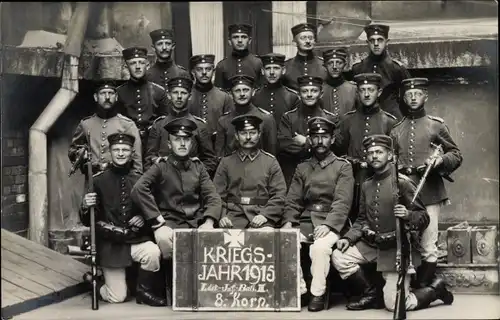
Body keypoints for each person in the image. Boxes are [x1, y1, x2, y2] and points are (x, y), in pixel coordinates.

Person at [331, 134, 453, 312]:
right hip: (373, 245)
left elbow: (423, 217)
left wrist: (407, 214)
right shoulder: (366, 185)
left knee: (394, 305)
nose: (374, 156)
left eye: (379, 152)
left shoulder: (402, 183)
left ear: (389, 155)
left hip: (396, 249)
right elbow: (362, 219)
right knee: (339, 256)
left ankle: (435, 290)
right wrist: (348, 238)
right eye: (370, 152)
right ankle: (371, 293)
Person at [391, 78, 463, 288]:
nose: (413, 98)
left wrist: (440, 161)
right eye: (409, 95)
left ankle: (425, 289)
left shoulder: (436, 125)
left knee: (428, 243)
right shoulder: (396, 129)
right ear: (404, 98)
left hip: (430, 190)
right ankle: (412, 286)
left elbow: (456, 154)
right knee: (405, 239)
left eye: (418, 93)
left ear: (425, 96)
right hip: (404, 192)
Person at [79, 133, 166, 306]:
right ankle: (95, 283)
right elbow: (87, 220)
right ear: (110, 152)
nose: (120, 153)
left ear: (132, 152)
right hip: (111, 245)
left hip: (135, 239)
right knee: (117, 297)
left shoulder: (141, 179)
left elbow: (153, 207)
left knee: (153, 252)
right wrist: (84, 205)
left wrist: (143, 217)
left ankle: (143, 293)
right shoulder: (98, 180)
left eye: (125, 150)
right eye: (116, 150)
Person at [282, 117, 354, 311]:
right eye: (315, 137)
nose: (320, 141)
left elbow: (342, 201)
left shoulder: (343, 166)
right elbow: (293, 200)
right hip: (306, 220)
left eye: (324, 137)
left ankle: (317, 294)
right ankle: (301, 290)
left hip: (332, 220)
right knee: (287, 241)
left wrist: (329, 225)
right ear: (310, 139)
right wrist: (289, 222)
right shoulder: (303, 167)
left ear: (332, 140)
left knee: (320, 248)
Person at [131, 118, 222, 261]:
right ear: (169, 144)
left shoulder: (198, 167)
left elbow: (213, 196)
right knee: (164, 238)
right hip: (169, 223)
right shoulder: (161, 166)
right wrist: (156, 219)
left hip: (195, 222)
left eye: (186, 140)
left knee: (212, 244)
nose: (182, 144)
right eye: (177, 140)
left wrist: (209, 222)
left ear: (191, 144)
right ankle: (170, 281)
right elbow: (139, 189)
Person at [333, 73, 398, 225]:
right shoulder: (347, 120)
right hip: (352, 180)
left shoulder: (389, 121)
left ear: (379, 92)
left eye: (371, 89)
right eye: (363, 90)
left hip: (379, 180)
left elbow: (394, 156)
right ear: (357, 93)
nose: (367, 94)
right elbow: (338, 152)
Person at [214, 114, 287, 230]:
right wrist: (222, 216)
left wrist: (265, 215)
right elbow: (217, 195)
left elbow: (279, 195)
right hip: (233, 217)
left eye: (252, 133)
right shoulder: (226, 162)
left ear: (259, 134)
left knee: (266, 237)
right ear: (236, 136)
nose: (248, 137)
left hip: (261, 216)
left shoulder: (270, 162)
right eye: (243, 133)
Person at [144, 76, 217, 176]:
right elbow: (149, 158)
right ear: (169, 95)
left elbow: (210, 161)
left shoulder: (199, 126)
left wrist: (194, 175)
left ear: (190, 96)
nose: (179, 96)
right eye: (175, 92)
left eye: (183, 93)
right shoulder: (159, 125)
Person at [68, 80, 142, 176]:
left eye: (111, 93)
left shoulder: (127, 124)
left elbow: (137, 160)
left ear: (116, 97)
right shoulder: (85, 124)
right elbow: (73, 152)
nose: (107, 97)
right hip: (92, 180)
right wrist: (81, 155)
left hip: (119, 180)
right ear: (96, 97)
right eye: (103, 93)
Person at [277, 75, 336, 188]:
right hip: (294, 173)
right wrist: (318, 146)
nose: (309, 94)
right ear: (299, 94)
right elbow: (284, 145)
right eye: (305, 91)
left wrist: (306, 141)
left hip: (324, 172)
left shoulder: (331, 119)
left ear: (321, 94)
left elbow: (336, 146)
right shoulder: (288, 118)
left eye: (314, 91)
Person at [116, 47, 171, 152]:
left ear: (147, 65)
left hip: (154, 144)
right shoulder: (119, 93)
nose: (137, 67)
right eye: (133, 63)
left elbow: (165, 123)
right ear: (126, 66)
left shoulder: (159, 92)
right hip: (127, 145)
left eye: (141, 62)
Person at [351, 24, 411, 120]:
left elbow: (407, 97)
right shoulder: (358, 68)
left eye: (380, 40)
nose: (376, 44)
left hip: (392, 118)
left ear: (387, 42)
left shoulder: (396, 69)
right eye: (372, 40)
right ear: (367, 42)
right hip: (365, 118)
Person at [215, 75, 277, 157]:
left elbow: (271, 154)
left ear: (253, 91)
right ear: (230, 94)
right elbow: (220, 155)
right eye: (237, 91)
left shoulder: (266, 119)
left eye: (246, 90)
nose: (242, 94)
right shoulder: (223, 121)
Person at [187, 54, 234, 143]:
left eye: (208, 69)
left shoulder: (224, 97)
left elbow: (229, 127)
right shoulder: (187, 95)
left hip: (216, 145)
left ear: (214, 71)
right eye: (199, 69)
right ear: (193, 72)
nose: (204, 72)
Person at [252, 53, 300, 127]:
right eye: (268, 68)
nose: (272, 72)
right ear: (262, 71)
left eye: (276, 68)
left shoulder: (292, 97)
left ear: (283, 70)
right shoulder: (255, 95)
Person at [214, 23, 263, 91]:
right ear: (229, 41)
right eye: (235, 37)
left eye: (243, 37)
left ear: (249, 40)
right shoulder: (222, 66)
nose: (240, 40)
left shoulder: (258, 63)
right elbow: (219, 93)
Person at [282, 23, 327, 91]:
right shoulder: (286, 66)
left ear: (314, 41)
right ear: (294, 42)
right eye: (303, 38)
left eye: (310, 38)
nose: (308, 41)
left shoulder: (324, 65)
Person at [321, 47, 357, 124]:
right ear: (325, 65)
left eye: (339, 63)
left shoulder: (354, 89)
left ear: (344, 65)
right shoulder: (319, 89)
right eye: (330, 63)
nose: (334, 67)